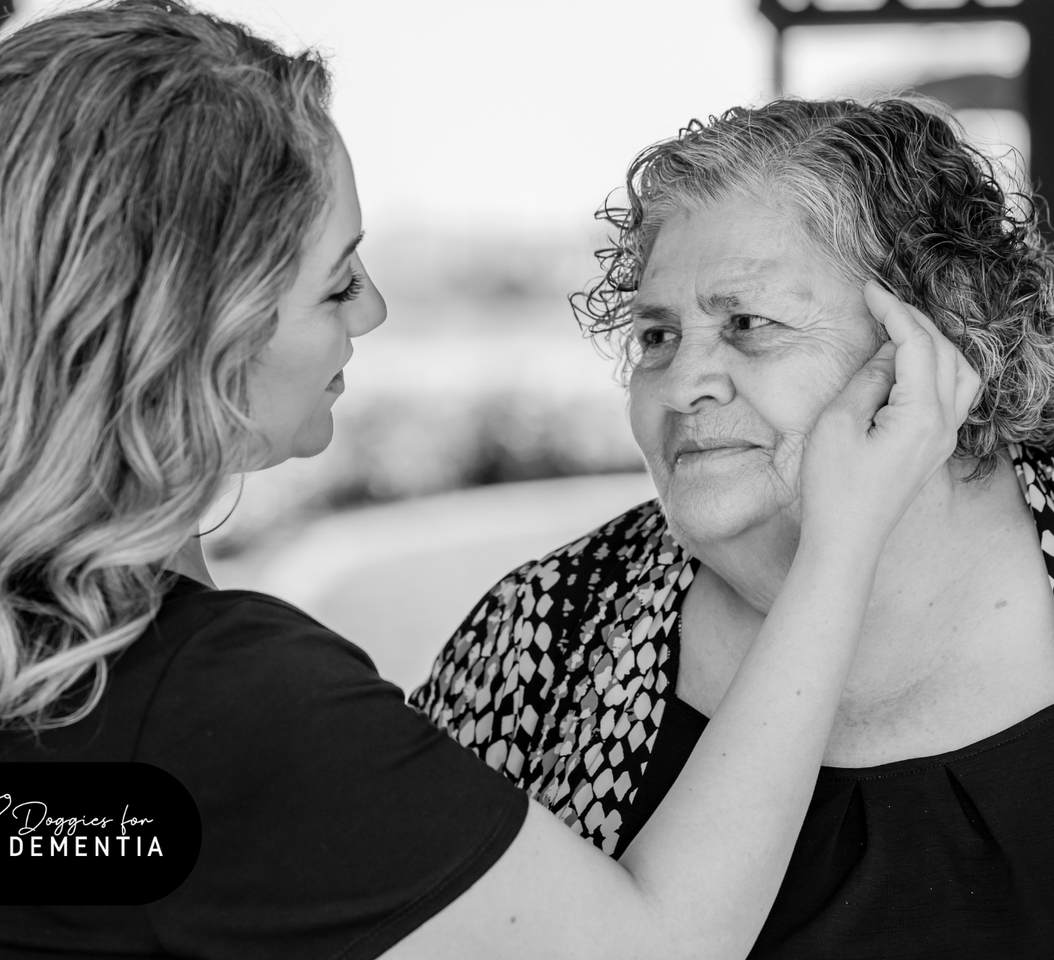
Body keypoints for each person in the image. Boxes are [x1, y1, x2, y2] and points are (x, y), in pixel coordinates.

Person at [0, 10, 976, 959]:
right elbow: (661, 946)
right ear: (201, 328)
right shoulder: (228, 702)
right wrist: (842, 543)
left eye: (753, 324)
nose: (376, 309)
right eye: (336, 281)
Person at [413, 97, 1054, 958]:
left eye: (748, 324)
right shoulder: (541, 634)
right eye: (657, 336)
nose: (682, 385)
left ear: (941, 332)